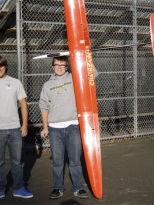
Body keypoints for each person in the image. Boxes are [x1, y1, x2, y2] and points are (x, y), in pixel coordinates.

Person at [0, 55, 33, 202]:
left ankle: (19, 188)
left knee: (17, 162)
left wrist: (24, 125)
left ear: (5, 66)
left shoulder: (15, 83)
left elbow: (23, 105)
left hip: (15, 129)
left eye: (1, 65)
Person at [39, 56, 92, 200]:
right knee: (57, 161)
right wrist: (45, 127)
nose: (60, 67)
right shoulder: (47, 85)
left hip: (73, 126)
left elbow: (92, 74)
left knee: (75, 160)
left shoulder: (75, 78)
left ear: (67, 66)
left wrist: (86, 55)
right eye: (57, 65)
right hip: (54, 129)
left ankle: (78, 188)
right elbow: (43, 106)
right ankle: (57, 188)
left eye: (63, 65)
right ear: (52, 66)